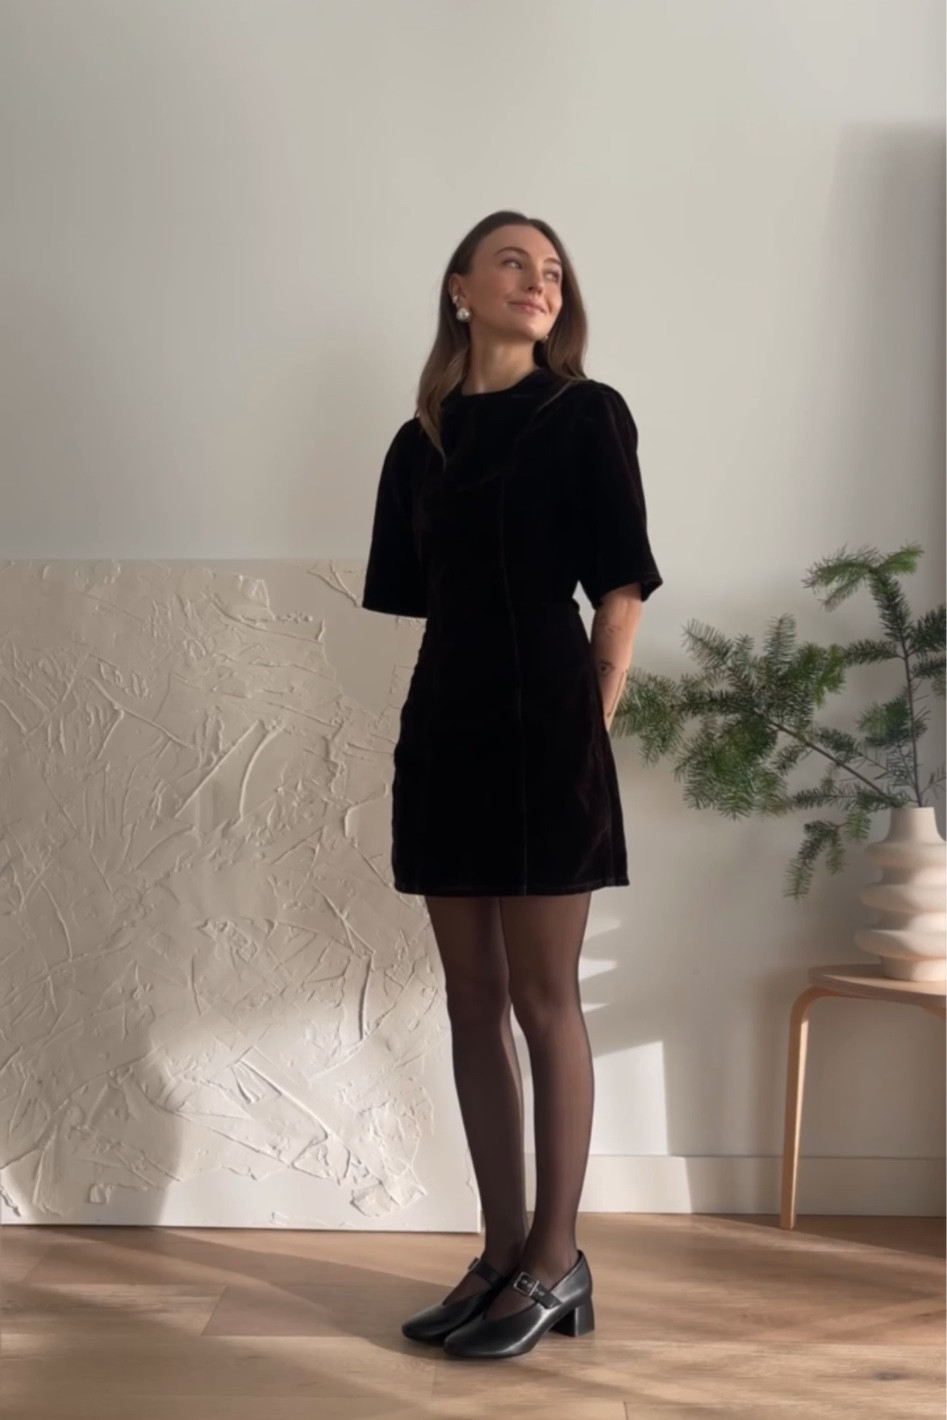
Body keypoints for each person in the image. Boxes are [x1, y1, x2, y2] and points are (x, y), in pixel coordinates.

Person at [361, 209, 663, 1360]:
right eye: (511, 262)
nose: (538, 281)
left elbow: (620, 590)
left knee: (543, 999)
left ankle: (553, 1258)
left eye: (551, 270)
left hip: (547, 726)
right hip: (445, 727)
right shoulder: (418, 443)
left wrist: (587, 724)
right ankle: (497, 1255)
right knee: (469, 999)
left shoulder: (583, 414)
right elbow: (423, 599)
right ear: (459, 288)